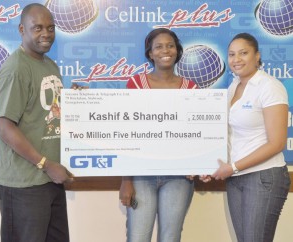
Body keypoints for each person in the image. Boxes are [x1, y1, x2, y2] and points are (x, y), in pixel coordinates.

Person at [0, 3, 73, 242]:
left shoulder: (49, 65)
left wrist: (76, 101)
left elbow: (47, 112)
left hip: (49, 178)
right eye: (37, 28)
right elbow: (4, 126)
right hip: (23, 182)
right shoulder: (16, 68)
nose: (46, 34)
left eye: (50, 27)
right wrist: (46, 164)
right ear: (21, 29)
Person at [119, 28, 198, 242]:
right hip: (142, 175)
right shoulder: (135, 84)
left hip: (179, 176)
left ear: (177, 51)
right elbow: (126, 133)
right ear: (150, 54)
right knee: (137, 237)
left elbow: (196, 135)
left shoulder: (191, 88)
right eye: (159, 46)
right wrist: (126, 180)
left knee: (170, 237)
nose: (166, 50)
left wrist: (198, 162)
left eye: (170, 45)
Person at [212, 33, 291, 242]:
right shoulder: (233, 87)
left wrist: (233, 167)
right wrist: (211, 166)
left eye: (243, 53)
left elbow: (277, 143)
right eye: (231, 54)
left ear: (257, 56)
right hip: (236, 177)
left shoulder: (270, 87)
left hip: (263, 177)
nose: (236, 59)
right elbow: (230, 136)